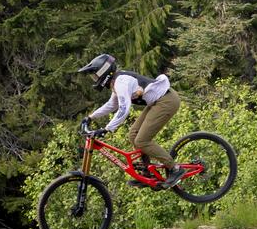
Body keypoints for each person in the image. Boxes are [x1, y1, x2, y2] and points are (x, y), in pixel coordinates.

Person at [77, 53, 188, 187]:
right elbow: (112, 105)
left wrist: (107, 129)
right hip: (157, 101)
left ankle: (175, 169)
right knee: (133, 135)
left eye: (95, 75)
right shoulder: (117, 82)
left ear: (104, 72)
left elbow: (124, 109)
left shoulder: (121, 82)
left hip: (166, 101)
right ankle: (147, 172)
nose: (95, 79)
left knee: (142, 140)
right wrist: (90, 117)